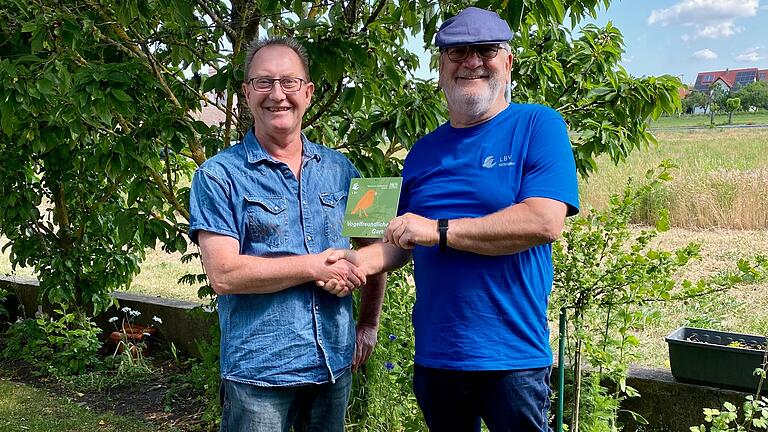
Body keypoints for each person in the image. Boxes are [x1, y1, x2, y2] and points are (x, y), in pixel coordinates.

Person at [319, 7, 579, 432]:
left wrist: (437, 230)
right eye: (457, 51)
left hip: (511, 356)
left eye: (486, 50)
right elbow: (399, 240)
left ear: (508, 62)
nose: (471, 61)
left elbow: (543, 221)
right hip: (437, 357)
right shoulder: (423, 152)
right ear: (440, 68)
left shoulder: (537, 125)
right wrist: (353, 264)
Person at [188, 36, 386, 432]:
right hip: (259, 377)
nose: (277, 94)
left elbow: (380, 248)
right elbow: (224, 275)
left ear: (308, 93)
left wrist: (369, 323)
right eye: (264, 82)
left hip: (333, 368)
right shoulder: (216, 175)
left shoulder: (343, 169)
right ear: (247, 94)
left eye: (289, 82)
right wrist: (315, 266)